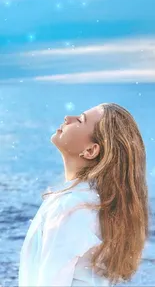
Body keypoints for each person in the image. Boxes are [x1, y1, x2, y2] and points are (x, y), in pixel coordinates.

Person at [18, 102, 149, 287]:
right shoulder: (97, 204)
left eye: (80, 120)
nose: (67, 118)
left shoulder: (70, 207)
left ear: (90, 150)